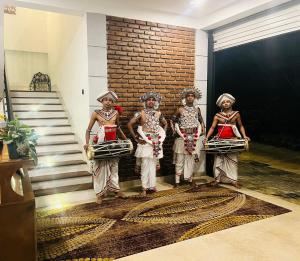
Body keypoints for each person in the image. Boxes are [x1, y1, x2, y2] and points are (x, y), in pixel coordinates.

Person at [84, 90, 127, 204]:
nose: (108, 102)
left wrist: (126, 139)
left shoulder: (115, 113)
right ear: (102, 101)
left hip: (113, 143)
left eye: (110, 100)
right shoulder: (96, 113)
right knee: (100, 168)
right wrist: (87, 143)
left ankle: (116, 190)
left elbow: (117, 128)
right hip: (101, 144)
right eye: (106, 100)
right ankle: (99, 194)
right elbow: (88, 130)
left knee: (114, 167)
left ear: (113, 102)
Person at [205, 93, 250, 188]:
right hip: (220, 140)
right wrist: (206, 138)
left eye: (227, 101)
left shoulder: (236, 114)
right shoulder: (218, 115)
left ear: (231, 103)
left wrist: (244, 136)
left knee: (232, 161)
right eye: (223, 102)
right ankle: (217, 180)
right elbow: (212, 128)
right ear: (221, 104)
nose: (225, 103)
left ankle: (233, 181)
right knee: (218, 161)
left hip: (232, 140)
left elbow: (240, 126)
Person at [127, 92, 168, 196]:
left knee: (153, 165)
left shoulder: (158, 113)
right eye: (149, 99)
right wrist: (136, 137)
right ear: (145, 102)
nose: (151, 101)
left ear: (155, 102)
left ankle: (152, 186)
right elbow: (129, 124)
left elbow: (165, 123)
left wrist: (162, 134)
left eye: (153, 100)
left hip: (155, 142)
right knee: (145, 165)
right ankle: (144, 188)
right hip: (145, 141)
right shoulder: (140, 113)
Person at [170, 88, 205, 187]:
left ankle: (190, 180)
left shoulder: (197, 109)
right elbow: (172, 120)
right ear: (185, 98)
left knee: (191, 159)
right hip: (182, 137)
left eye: (192, 96)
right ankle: (177, 181)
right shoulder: (180, 109)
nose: (190, 97)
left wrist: (202, 130)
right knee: (180, 159)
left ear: (195, 98)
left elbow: (201, 121)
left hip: (193, 137)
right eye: (188, 96)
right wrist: (174, 131)